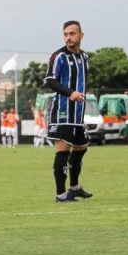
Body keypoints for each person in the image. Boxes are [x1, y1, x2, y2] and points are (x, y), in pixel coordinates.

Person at [44, 20, 92, 202]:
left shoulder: (85, 58)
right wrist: (70, 92)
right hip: (62, 113)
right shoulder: (59, 57)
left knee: (80, 148)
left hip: (78, 114)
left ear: (81, 35)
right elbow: (50, 80)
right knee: (63, 151)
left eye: (72, 34)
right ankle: (60, 194)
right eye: (65, 34)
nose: (68, 38)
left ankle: (74, 187)